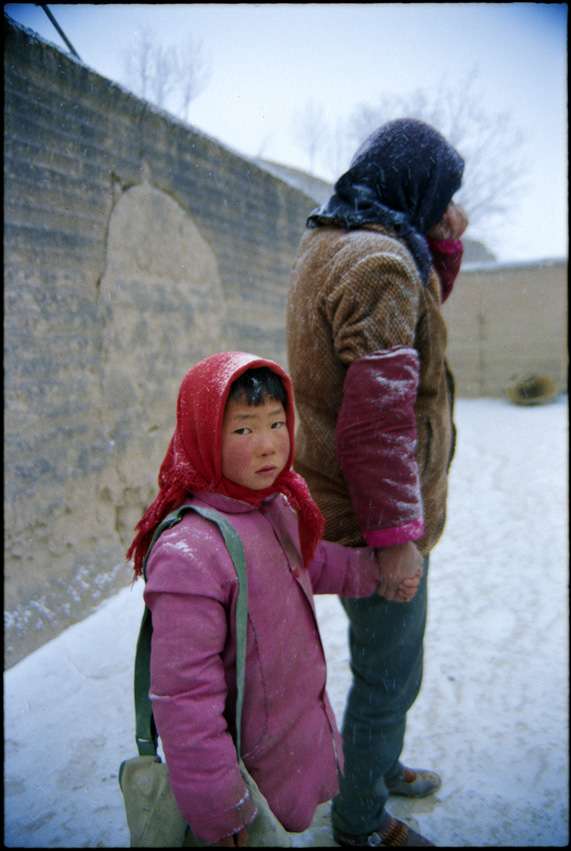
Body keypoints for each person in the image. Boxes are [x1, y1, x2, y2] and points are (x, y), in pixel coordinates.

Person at [126, 351, 421, 848]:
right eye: (243, 429)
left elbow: (305, 564)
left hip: (290, 735)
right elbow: (185, 698)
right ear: (202, 434)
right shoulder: (190, 553)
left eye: (277, 423)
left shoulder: (272, 505)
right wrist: (221, 809)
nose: (268, 445)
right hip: (246, 765)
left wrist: (373, 573)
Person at [286, 118, 469, 847]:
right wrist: (396, 541)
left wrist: (443, 244)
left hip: (351, 501)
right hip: (374, 520)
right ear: (414, 184)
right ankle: (360, 819)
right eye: (442, 193)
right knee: (388, 676)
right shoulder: (379, 264)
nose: (447, 205)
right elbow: (377, 424)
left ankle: (377, 763)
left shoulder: (341, 240)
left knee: (387, 668)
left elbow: (419, 317)